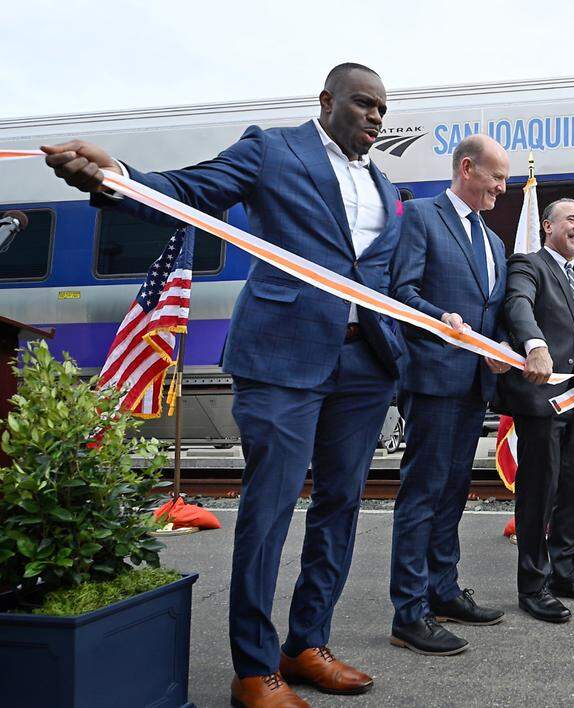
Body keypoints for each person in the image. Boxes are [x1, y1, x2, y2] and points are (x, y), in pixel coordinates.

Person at [44, 63, 403, 708]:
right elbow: (188, 190)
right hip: (282, 357)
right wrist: (115, 178)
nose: (375, 117)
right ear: (326, 101)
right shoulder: (272, 149)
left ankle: (306, 644)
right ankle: (254, 668)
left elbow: (382, 276)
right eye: (362, 104)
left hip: (363, 364)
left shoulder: (383, 182)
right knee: (269, 512)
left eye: (382, 108)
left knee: (341, 507)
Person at [387, 135, 511, 656]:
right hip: (434, 378)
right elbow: (400, 290)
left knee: (454, 490)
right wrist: (441, 319)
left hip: (473, 384)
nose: (502, 190)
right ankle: (409, 612)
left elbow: (492, 308)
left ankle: (442, 588)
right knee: (423, 492)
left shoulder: (495, 241)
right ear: (466, 168)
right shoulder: (421, 218)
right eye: (496, 178)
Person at [496, 198, 574, 623]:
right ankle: (533, 585)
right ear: (547, 226)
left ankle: (567, 571)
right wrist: (536, 346)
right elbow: (518, 307)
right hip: (542, 403)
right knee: (538, 496)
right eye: (571, 220)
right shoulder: (528, 265)